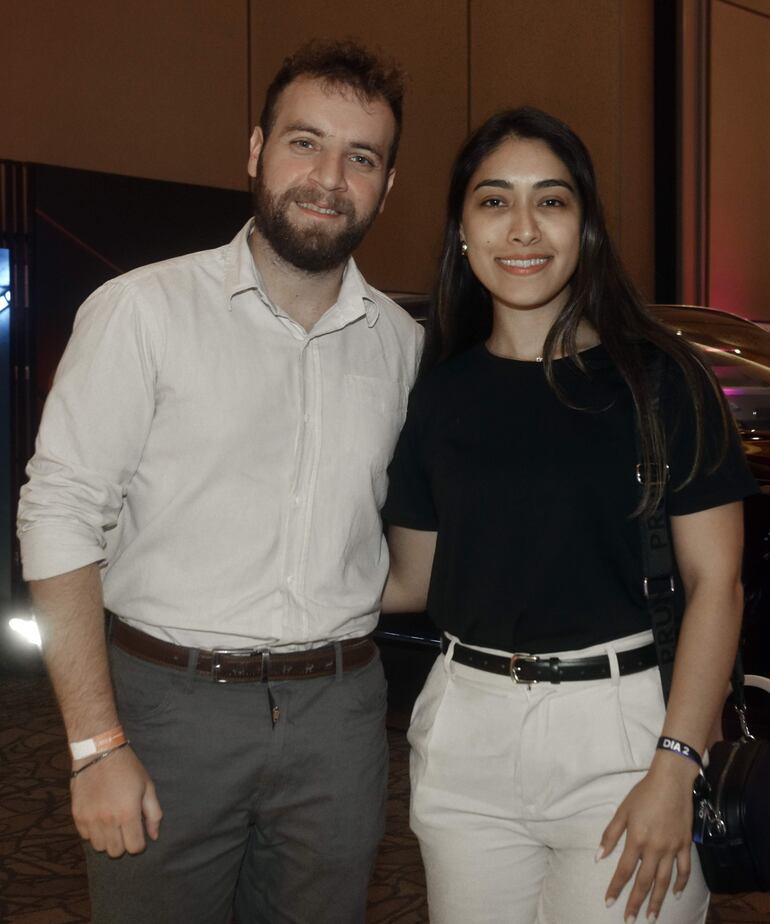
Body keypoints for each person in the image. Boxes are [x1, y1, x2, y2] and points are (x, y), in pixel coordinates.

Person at [17, 39, 422, 924]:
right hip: (165, 712)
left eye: (361, 157)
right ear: (254, 151)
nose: (328, 177)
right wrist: (93, 744)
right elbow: (58, 513)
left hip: (342, 718)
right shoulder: (142, 311)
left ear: (387, 185)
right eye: (303, 142)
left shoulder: (402, 346)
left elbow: (406, 541)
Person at [382, 107, 757, 924]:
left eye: (550, 201)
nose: (522, 229)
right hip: (465, 731)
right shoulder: (439, 392)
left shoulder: (660, 381)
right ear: (461, 229)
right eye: (494, 202)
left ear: (585, 226)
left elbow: (716, 583)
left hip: (625, 735)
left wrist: (675, 766)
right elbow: (409, 579)